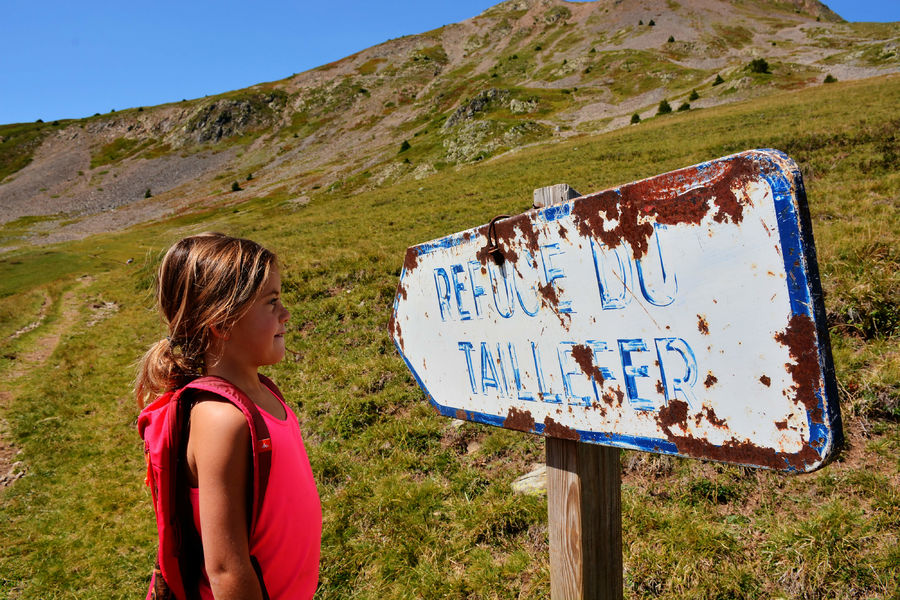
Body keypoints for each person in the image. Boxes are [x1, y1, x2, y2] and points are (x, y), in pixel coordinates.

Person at [135, 233, 321, 600]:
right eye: (271, 302)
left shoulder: (262, 393)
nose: (285, 313)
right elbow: (226, 569)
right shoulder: (221, 420)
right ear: (222, 323)